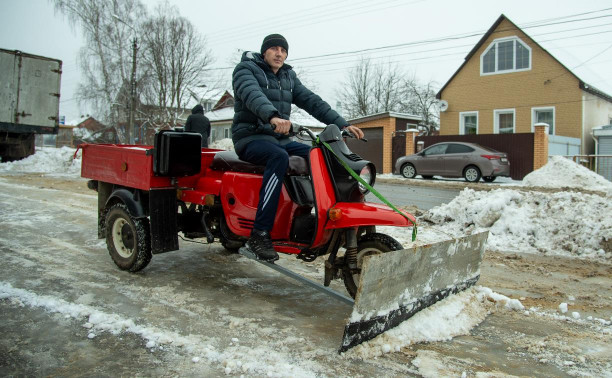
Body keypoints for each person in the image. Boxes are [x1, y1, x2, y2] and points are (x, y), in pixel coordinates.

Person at [231, 33, 364, 262]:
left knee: (321, 154)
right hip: (251, 137)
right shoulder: (246, 69)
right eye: (274, 48)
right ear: (264, 52)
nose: (279, 53)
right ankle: (260, 233)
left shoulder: (288, 76)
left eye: (283, 50)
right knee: (279, 158)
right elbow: (252, 95)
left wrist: (343, 123)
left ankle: (327, 216)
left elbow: (312, 101)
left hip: (279, 138)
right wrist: (272, 116)